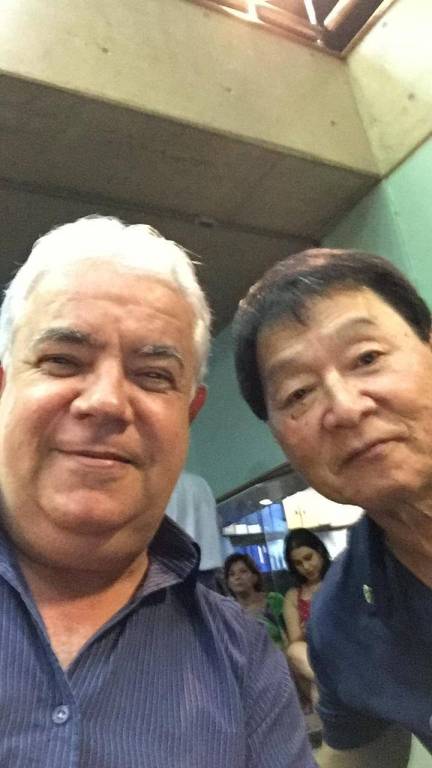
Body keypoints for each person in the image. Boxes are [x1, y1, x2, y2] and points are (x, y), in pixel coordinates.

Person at [0, 215, 315, 767]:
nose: (106, 402)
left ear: (188, 415)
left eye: (153, 375)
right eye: (63, 362)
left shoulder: (244, 665)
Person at [232, 247, 432, 767]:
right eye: (299, 393)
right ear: (281, 440)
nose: (345, 408)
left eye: (367, 358)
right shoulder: (343, 618)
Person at [283, 529, 331, 705]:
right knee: (294, 651)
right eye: (298, 563)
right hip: (315, 658)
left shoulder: (339, 579)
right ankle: (333, 685)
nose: (306, 567)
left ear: (319, 551)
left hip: (345, 647)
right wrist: (310, 629)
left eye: (308, 558)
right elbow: (295, 642)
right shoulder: (293, 596)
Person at [165, 470, 224, 590]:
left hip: (175, 569)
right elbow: (218, 524)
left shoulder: (163, 484)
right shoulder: (201, 483)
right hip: (207, 569)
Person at [224, 552, 286, 646]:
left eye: (243, 571)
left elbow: (289, 634)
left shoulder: (274, 600)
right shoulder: (226, 609)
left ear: (255, 577)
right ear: (228, 583)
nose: (237, 577)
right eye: (231, 574)